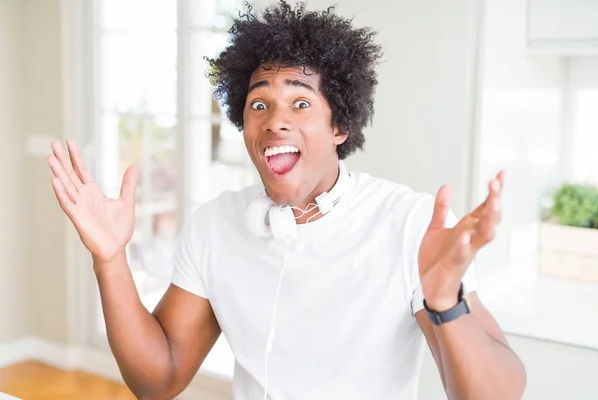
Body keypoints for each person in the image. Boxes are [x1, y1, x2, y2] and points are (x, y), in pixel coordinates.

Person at [47, 1, 526, 399]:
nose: (275, 120)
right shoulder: (216, 225)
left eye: (301, 103)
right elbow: (159, 378)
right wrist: (110, 260)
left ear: (340, 126)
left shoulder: (410, 224)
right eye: (259, 104)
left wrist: (446, 302)